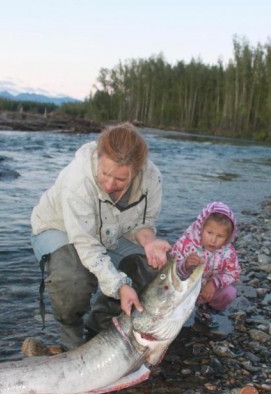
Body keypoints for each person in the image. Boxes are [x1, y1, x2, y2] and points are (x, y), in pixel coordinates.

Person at [29, 122, 171, 351]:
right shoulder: (78, 180)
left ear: (137, 170)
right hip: (59, 228)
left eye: (120, 180)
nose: (109, 184)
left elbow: (143, 224)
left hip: (111, 232)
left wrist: (149, 241)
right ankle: (71, 337)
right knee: (73, 278)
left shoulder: (152, 179)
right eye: (105, 174)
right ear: (98, 156)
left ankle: (100, 325)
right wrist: (120, 285)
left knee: (151, 267)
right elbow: (87, 246)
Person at [170, 201, 241, 329]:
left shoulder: (228, 252)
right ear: (201, 228)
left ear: (228, 237)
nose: (213, 240)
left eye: (220, 236)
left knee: (230, 293)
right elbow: (170, 267)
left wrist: (214, 283)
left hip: (207, 290)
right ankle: (176, 312)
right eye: (209, 233)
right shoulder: (186, 243)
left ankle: (205, 308)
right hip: (184, 289)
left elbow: (233, 272)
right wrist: (185, 265)